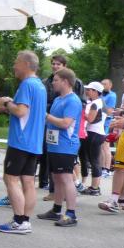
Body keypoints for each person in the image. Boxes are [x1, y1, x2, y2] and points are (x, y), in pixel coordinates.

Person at [0, 51, 47, 234]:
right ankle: (25, 221)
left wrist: (6, 102)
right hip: (34, 141)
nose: (14, 66)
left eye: (16, 62)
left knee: (11, 179)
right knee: (28, 182)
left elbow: (21, 112)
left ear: (25, 64)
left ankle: (18, 221)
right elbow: (27, 112)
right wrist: (6, 108)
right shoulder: (40, 86)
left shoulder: (27, 84)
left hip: (21, 141)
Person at [36, 68, 81, 226]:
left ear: (65, 81)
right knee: (57, 178)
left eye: (56, 80)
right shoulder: (57, 100)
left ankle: (71, 214)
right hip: (54, 145)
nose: (52, 83)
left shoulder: (73, 101)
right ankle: (56, 211)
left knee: (66, 178)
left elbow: (66, 123)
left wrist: (46, 116)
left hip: (66, 146)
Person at [100, 71, 124, 213]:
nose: (123, 80)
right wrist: (120, 118)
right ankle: (116, 200)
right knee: (120, 167)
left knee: (122, 168)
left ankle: (117, 200)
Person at [79, 81, 106, 196]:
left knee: (94, 161)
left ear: (96, 92)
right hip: (96, 133)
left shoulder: (95, 103)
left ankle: (95, 188)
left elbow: (90, 119)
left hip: (94, 133)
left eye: (89, 90)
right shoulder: (98, 102)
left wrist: (81, 111)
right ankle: (94, 187)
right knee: (94, 160)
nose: (87, 91)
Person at [101, 78, 116, 177]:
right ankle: (102, 167)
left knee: (105, 145)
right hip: (99, 122)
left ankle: (107, 169)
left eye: (105, 84)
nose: (102, 86)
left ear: (110, 85)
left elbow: (110, 111)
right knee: (100, 146)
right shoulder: (101, 95)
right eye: (101, 84)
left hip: (106, 122)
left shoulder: (112, 95)